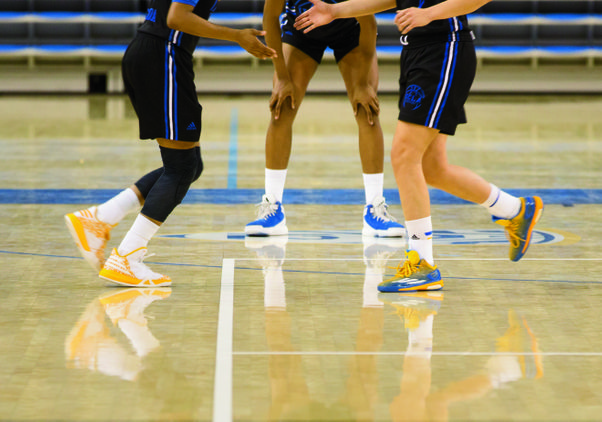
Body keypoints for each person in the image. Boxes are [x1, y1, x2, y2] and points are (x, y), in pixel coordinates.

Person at [295, 0, 544, 291]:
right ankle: (515, 209)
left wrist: (428, 14)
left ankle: (422, 263)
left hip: (444, 50)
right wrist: (335, 11)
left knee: (404, 155)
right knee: (432, 168)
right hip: (418, 51)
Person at [65, 0, 276, 287]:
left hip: (157, 55)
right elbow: (177, 18)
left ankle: (99, 218)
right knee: (181, 168)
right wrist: (236, 36)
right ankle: (127, 257)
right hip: (163, 57)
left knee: (189, 165)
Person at [244, 0, 404, 238]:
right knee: (281, 107)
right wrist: (282, 77)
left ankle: (375, 208)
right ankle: (272, 207)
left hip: (351, 29)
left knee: (367, 109)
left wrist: (362, 83)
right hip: (302, 29)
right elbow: (270, 19)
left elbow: (369, 24)